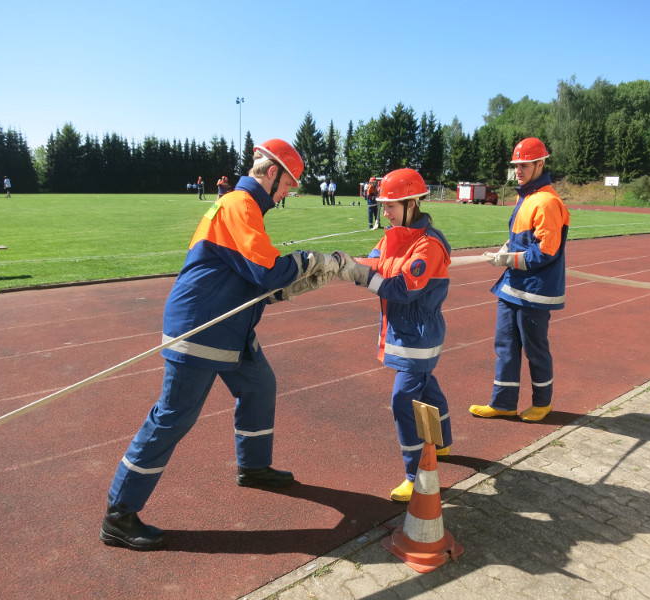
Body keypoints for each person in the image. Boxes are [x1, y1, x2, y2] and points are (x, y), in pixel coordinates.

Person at [101, 139, 341, 551]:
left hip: (231, 328)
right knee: (173, 417)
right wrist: (310, 262)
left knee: (259, 385)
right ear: (272, 173)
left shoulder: (243, 207)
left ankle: (254, 467)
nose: (288, 193)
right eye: (288, 184)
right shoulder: (240, 205)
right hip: (201, 327)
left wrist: (293, 286)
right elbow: (266, 270)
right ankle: (119, 515)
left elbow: (250, 276)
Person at [334, 168, 453, 502]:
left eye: (390, 206)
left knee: (403, 399)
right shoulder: (392, 237)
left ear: (411, 204)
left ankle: (416, 476)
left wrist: (357, 274)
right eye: (383, 205)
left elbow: (402, 289)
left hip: (419, 336)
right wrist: (341, 264)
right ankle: (442, 441)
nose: (384, 211)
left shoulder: (428, 245)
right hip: (405, 332)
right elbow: (372, 264)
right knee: (427, 387)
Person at [469, 138, 570, 423]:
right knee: (505, 346)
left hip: (535, 291)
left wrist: (507, 259)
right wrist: (504, 249)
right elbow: (520, 239)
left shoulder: (547, 201)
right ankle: (503, 403)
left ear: (540, 164)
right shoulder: (525, 197)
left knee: (535, 350)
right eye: (516, 166)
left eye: (524, 165)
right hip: (513, 286)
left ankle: (543, 403)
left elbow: (545, 252)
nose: (518, 171)